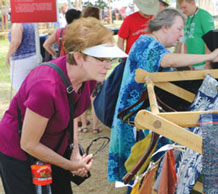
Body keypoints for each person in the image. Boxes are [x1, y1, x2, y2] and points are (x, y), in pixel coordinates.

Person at [0, 17, 127, 194]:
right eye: (102, 59)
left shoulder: (87, 78)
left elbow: (72, 113)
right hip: (20, 154)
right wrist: (70, 165)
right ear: (78, 57)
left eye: (110, 60)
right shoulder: (46, 86)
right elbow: (28, 143)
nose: (108, 65)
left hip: (53, 149)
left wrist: (74, 151)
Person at [108, 8, 218, 182]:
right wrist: (209, 55)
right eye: (178, 29)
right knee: (138, 166)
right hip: (136, 117)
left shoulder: (146, 42)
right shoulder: (148, 44)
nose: (180, 35)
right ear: (165, 27)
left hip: (136, 113)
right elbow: (170, 60)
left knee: (139, 165)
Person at [79, 5, 101, 134]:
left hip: (82, 63)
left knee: (83, 95)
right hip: (97, 64)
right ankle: (95, 127)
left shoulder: (79, 30)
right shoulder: (100, 30)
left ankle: (84, 126)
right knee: (95, 97)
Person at [177, 0, 214, 70]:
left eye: (184, 7)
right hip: (190, 64)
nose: (183, 10)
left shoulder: (204, 15)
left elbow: (210, 41)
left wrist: (208, 63)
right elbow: (183, 41)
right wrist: (186, 61)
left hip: (202, 63)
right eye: (181, 8)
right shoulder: (186, 18)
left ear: (192, 2)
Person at [5, 23, 41, 91]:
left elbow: (16, 42)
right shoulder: (32, 23)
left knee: (20, 88)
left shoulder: (17, 24)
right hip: (35, 56)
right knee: (33, 88)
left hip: (22, 60)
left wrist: (8, 56)